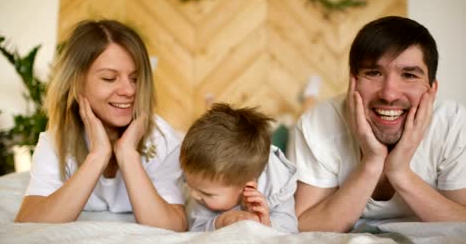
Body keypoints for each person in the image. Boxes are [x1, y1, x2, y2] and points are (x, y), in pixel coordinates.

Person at [291, 16, 466, 232]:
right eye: (374, 73)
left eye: (409, 75)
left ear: (432, 89)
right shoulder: (316, 123)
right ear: (352, 81)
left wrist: (400, 172)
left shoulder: (453, 124)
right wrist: (371, 163)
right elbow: (306, 226)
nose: (389, 94)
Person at [14, 19, 187, 231]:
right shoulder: (55, 141)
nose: (129, 90)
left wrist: (128, 155)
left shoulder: (162, 140)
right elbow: (28, 223)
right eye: (109, 78)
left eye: (135, 78)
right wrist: (98, 156)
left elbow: (173, 227)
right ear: (76, 83)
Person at [180, 103, 298, 233]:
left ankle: (286, 126)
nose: (193, 194)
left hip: (272, 158)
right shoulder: (203, 187)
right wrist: (219, 222)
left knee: (284, 136)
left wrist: (268, 224)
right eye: (190, 185)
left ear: (247, 188)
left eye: (207, 193)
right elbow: (195, 230)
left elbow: (291, 230)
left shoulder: (277, 188)